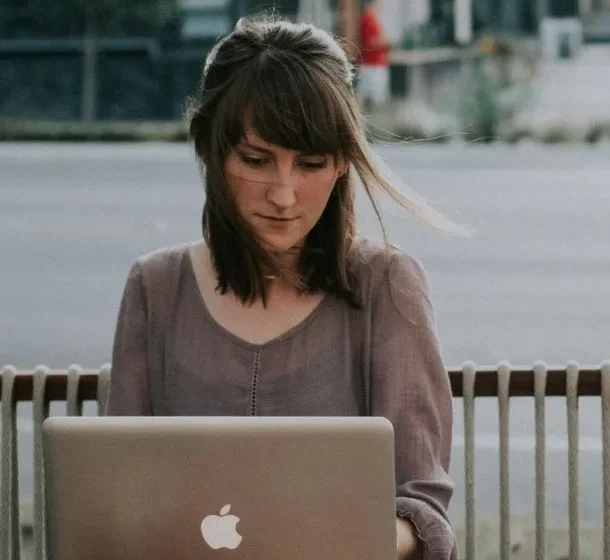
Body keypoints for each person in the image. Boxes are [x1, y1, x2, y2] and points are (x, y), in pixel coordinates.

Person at [106, 13, 462, 560]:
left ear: (341, 164)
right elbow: (118, 492)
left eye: (311, 163)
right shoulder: (154, 288)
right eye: (256, 160)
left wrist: (338, 540)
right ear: (208, 148)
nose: (284, 195)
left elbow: (422, 509)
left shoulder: (389, 285)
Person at [358, 0, 391, 109]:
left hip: (374, 63)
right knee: (372, 95)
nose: (378, 10)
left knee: (370, 94)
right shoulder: (368, 20)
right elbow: (371, 42)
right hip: (371, 64)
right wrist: (386, 41)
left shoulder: (372, 20)